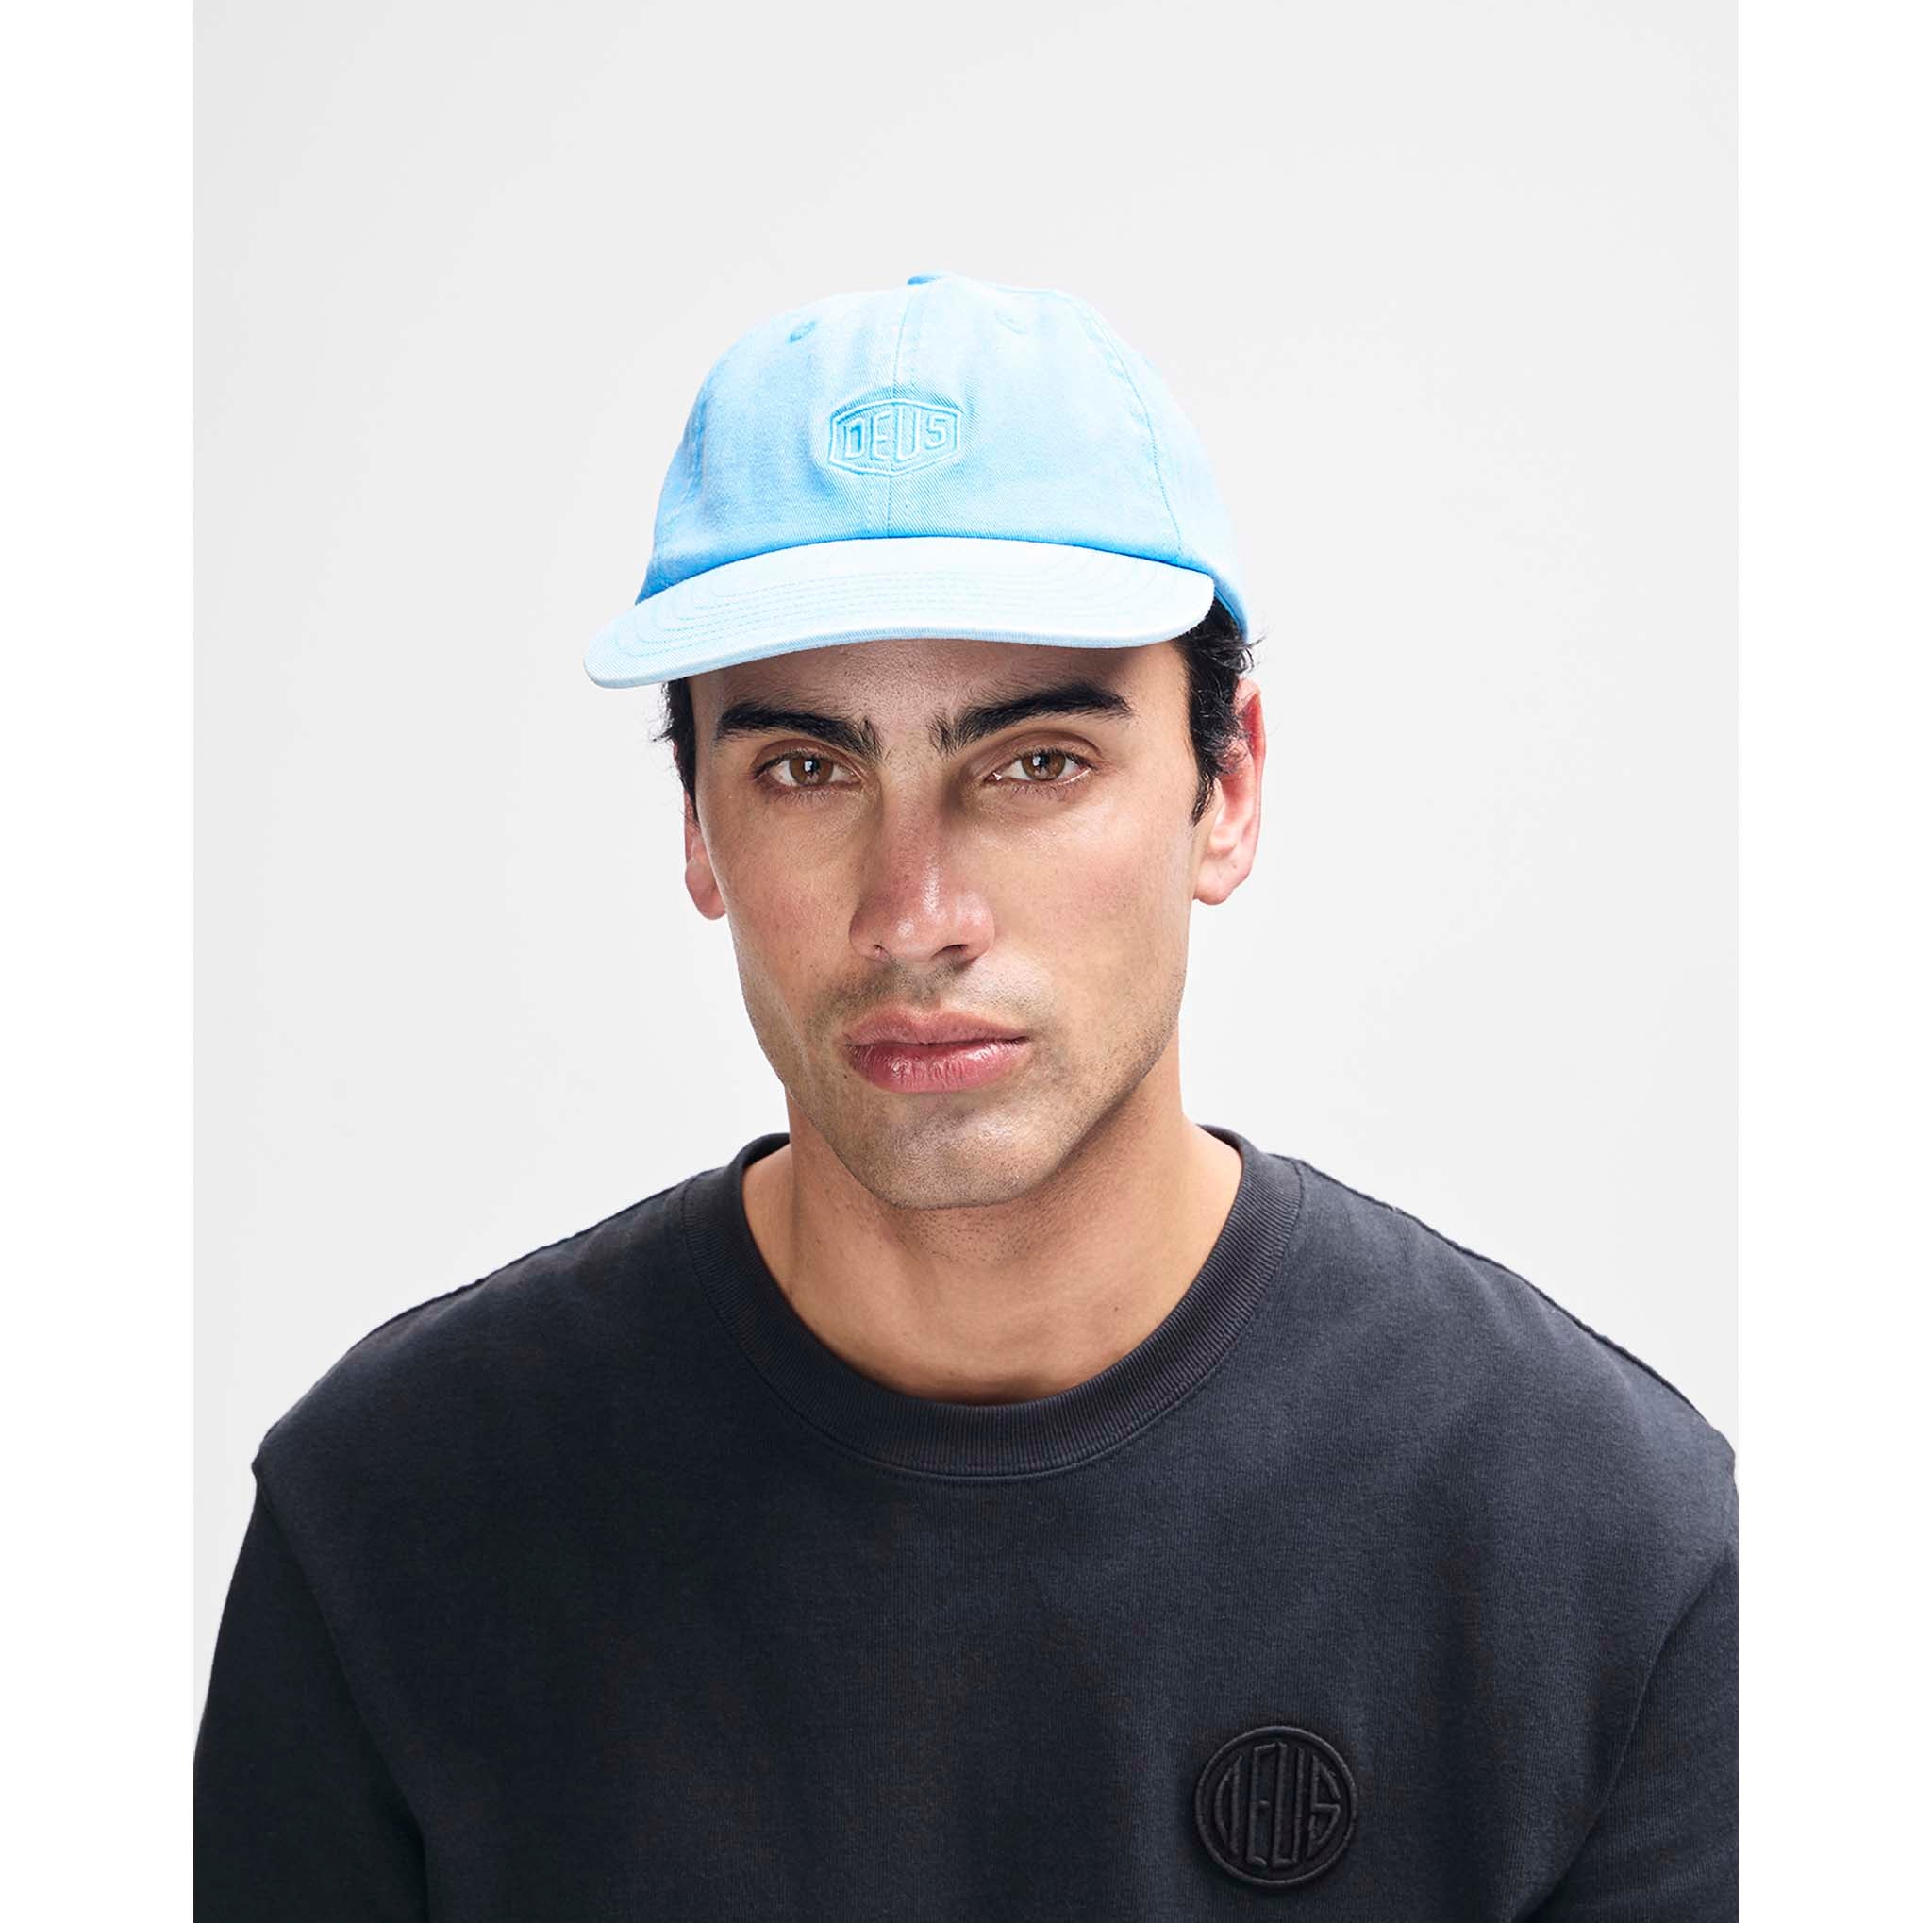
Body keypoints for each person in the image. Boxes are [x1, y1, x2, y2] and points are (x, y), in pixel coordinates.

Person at [195, 273, 1738, 1919]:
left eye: (1036, 763)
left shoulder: (1591, 1541)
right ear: (698, 831)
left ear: (1226, 788)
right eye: (808, 769)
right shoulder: (398, 1517)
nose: (915, 910)